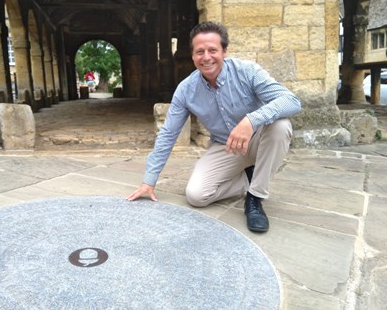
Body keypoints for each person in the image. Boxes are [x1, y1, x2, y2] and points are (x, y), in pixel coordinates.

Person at [127, 21, 301, 232]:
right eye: (200, 52)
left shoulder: (248, 71)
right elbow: (168, 134)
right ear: (193, 56)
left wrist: (251, 120)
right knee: (196, 196)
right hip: (224, 146)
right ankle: (249, 177)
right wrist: (149, 180)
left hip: (258, 139)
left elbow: (291, 101)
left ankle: (255, 199)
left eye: (212, 50)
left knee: (280, 126)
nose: (206, 57)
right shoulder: (185, 90)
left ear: (224, 51)